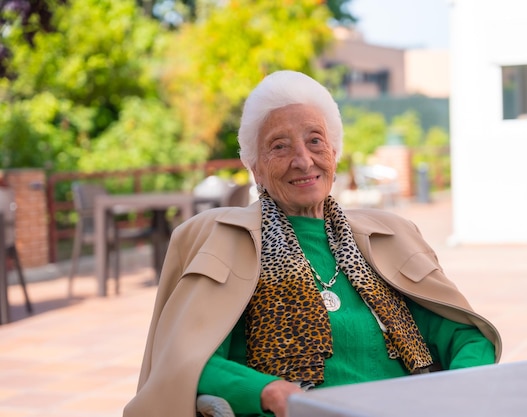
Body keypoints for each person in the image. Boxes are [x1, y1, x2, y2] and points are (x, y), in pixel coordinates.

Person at [123, 70, 502, 417]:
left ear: (333, 154)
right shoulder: (226, 238)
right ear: (255, 167)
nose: (303, 161)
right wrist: (266, 390)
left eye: (315, 141)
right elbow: (187, 358)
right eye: (280, 147)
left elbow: (467, 338)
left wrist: (454, 392)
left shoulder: (389, 235)